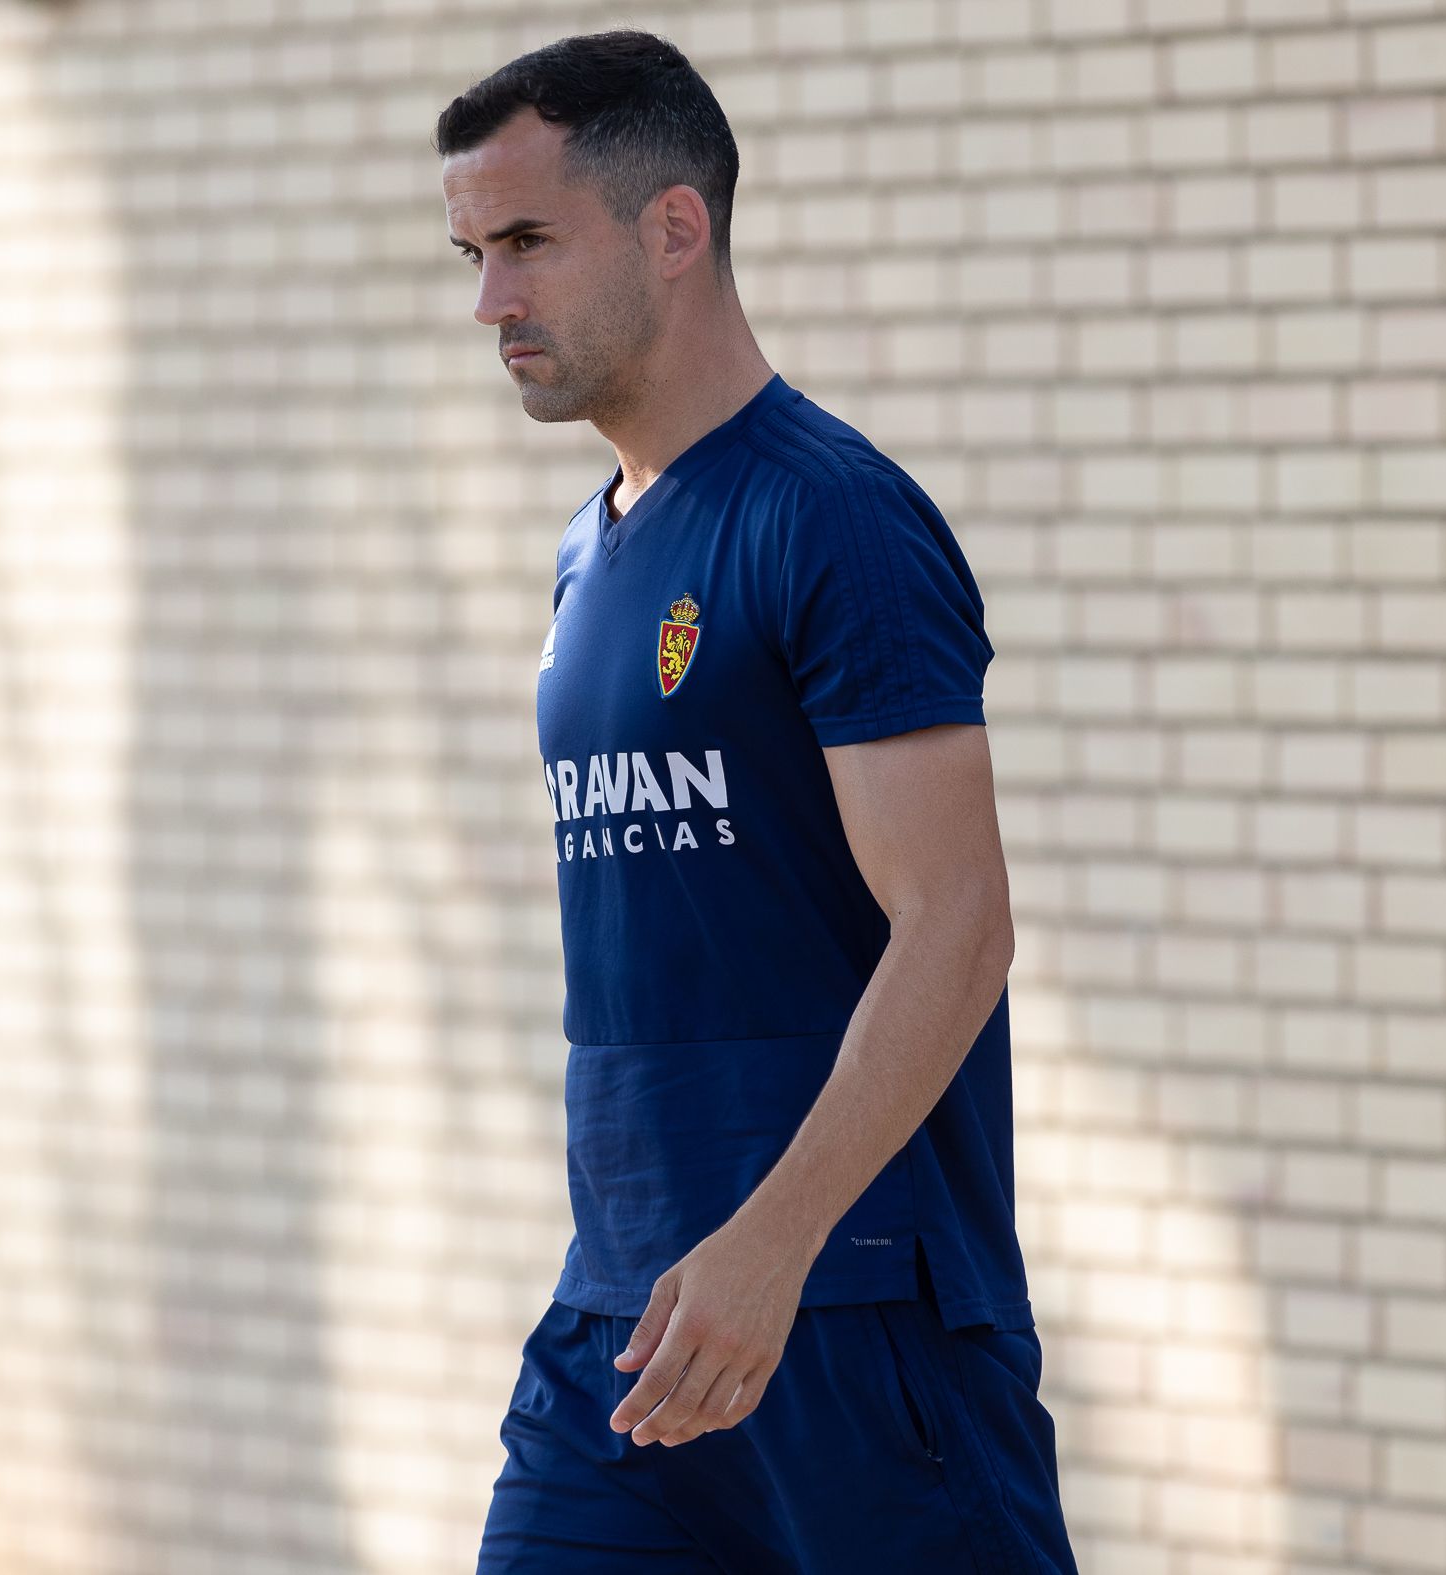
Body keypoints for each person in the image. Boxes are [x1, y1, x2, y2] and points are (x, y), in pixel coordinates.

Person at [440, 29, 1079, 1575]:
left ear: (674, 227)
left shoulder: (833, 518)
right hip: (624, 1319)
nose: (489, 301)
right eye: (470, 255)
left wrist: (774, 1244)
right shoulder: (589, 556)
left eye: (526, 242)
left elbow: (958, 927)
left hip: (852, 1312)